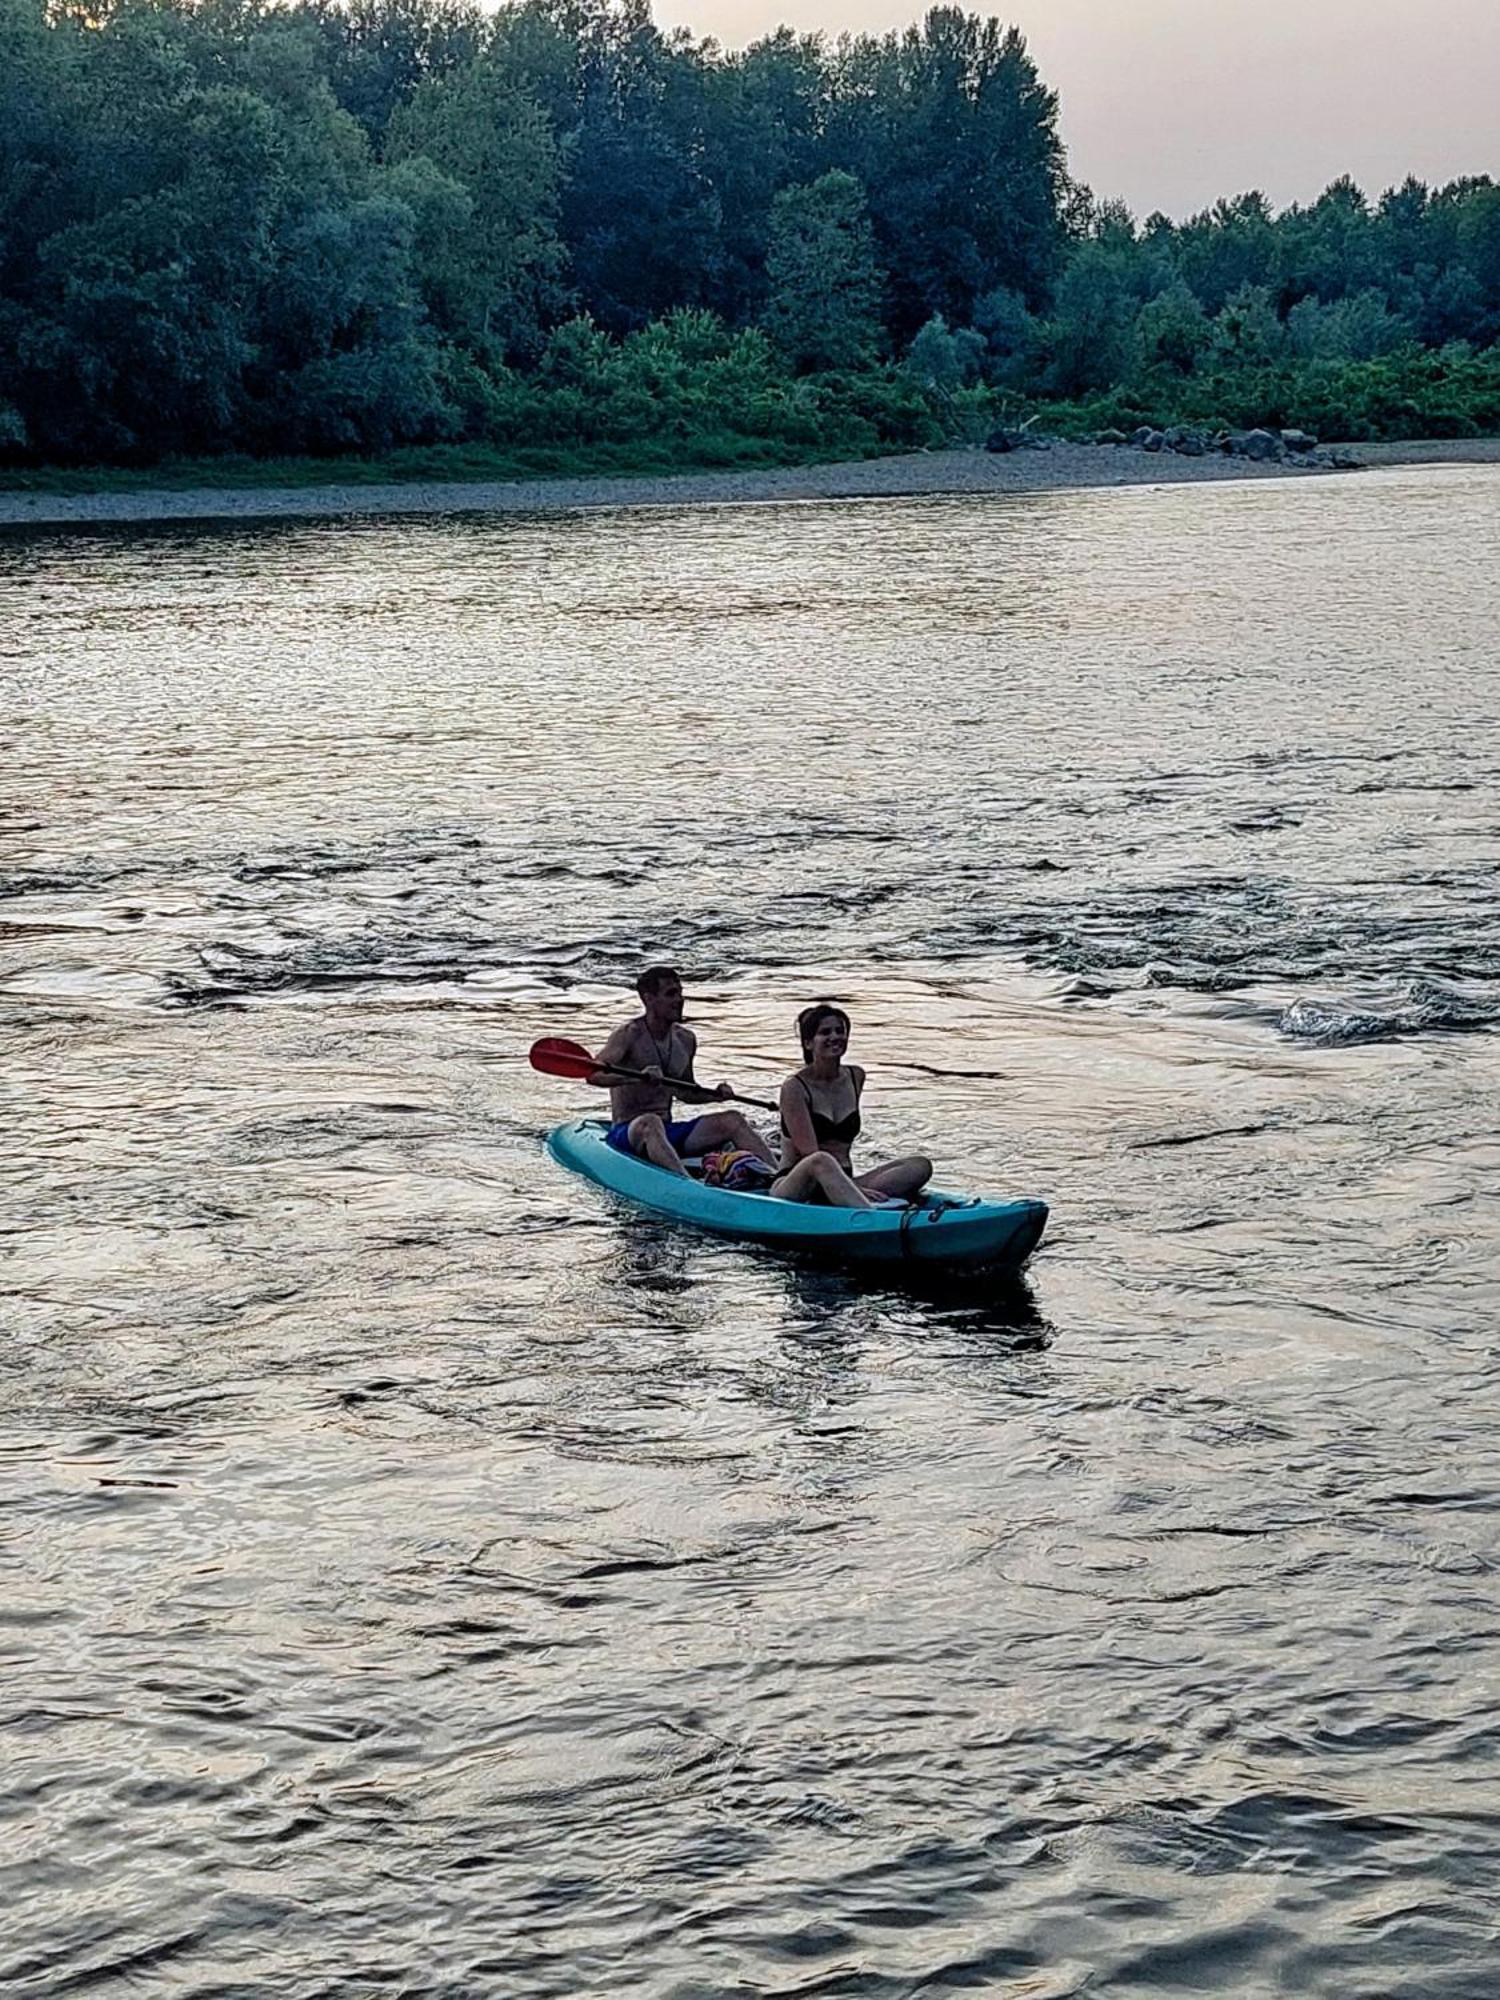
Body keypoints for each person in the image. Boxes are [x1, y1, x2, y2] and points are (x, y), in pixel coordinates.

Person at [593, 966, 778, 1178]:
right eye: (671, 994)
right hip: (629, 1131)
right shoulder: (628, 1035)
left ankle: (780, 1178)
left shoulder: (685, 1039)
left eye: (680, 993)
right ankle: (686, 1184)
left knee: (733, 1119)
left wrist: (716, 1096)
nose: (679, 1000)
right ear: (649, 999)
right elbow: (594, 1076)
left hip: (668, 1131)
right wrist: (635, 1078)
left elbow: (686, 1092)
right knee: (650, 1122)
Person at [772, 1001, 932, 1206]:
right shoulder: (794, 1087)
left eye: (840, 1031)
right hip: (800, 1185)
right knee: (821, 1159)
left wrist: (854, 1186)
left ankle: (854, 1198)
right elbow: (809, 1155)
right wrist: (857, 1190)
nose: (835, 1037)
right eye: (825, 1032)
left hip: (846, 1180)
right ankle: (872, 1219)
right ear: (809, 1043)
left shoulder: (856, 1076)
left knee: (919, 1165)